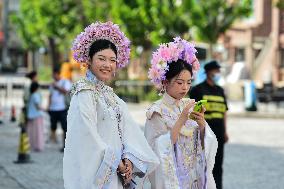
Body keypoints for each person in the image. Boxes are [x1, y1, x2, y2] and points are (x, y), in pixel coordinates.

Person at [63, 21, 159, 189]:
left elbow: (129, 131)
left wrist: (128, 158)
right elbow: (86, 137)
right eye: (101, 59)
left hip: (117, 174)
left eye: (112, 60)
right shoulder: (84, 94)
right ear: (89, 60)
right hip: (97, 175)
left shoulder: (111, 96)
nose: (107, 65)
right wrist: (116, 162)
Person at [145, 37, 218, 189]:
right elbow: (156, 150)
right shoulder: (156, 111)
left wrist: (202, 124)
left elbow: (206, 144)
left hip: (194, 179)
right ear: (165, 82)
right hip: (173, 181)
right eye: (179, 82)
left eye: (189, 82)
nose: (185, 88)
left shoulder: (189, 105)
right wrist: (181, 119)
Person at [190, 60, 229, 189]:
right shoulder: (198, 89)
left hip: (219, 133)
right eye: (216, 70)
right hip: (204, 134)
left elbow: (224, 112)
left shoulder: (220, 90)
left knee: (218, 165)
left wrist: (225, 131)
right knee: (205, 165)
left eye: (219, 71)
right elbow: (193, 113)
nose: (218, 73)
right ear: (208, 72)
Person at [48, 68, 72, 152]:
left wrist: (57, 86)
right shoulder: (52, 84)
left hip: (62, 109)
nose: (53, 76)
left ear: (58, 74)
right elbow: (50, 95)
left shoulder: (65, 82)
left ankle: (65, 146)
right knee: (53, 126)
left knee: (64, 128)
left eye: (54, 74)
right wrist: (48, 106)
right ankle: (53, 140)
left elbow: (66, 91)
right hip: (53, 109)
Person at [27, 82, 44, 151]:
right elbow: (38, 106)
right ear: (37, 88)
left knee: (31, 132)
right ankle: (38, 146)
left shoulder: (31, 95)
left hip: (30, 116)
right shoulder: (36, 95)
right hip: (37, 116)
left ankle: (31, 145)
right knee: (38, 132)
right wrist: (45, 109)